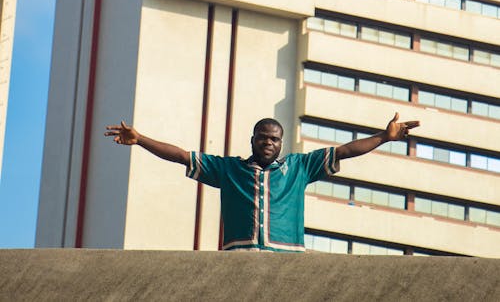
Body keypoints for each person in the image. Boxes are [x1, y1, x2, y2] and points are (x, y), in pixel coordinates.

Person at [105, 112, 419, 252]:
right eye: (263, 137)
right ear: (252, 140)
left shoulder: (299, 166)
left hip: (287, 258)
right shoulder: (229, 169)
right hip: (239, 257)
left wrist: (384, 137)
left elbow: (346, 150)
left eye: (274, 139)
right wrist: (141, 139)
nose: (268, 142)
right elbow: (183, 157)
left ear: (281, 144)